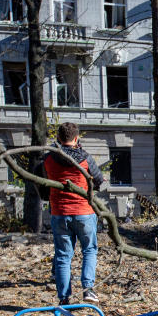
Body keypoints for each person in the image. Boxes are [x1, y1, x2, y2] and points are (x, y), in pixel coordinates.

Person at [44, 122, 104, 305]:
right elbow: (99, 180)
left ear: (58, 139)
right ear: (77, 138)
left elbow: (42, 182)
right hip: (84, 211)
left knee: (62, 255)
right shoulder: (85, 158)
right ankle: (88, 289)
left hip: (59, 212)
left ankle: (64, 298)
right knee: (90, 249)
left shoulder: (48, 159)